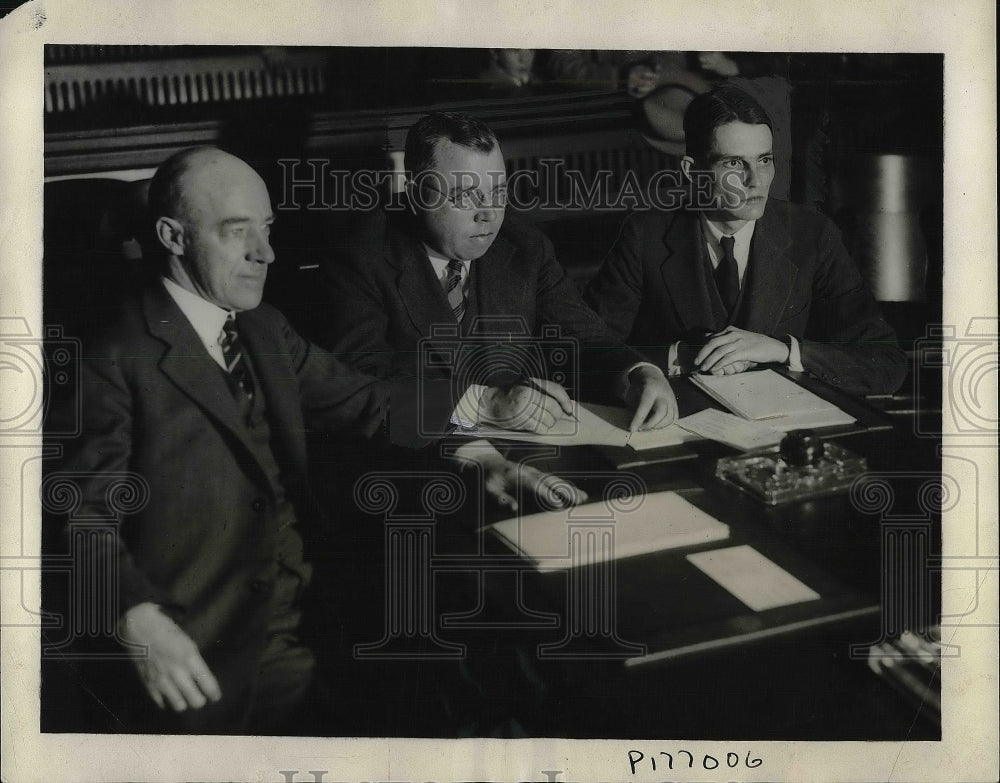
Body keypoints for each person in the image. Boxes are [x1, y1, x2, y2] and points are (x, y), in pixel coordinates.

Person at [45, 146, 585, 735]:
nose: (266, 253)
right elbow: (77, 515)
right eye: (237, 232)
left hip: (317, 618)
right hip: (203, 641)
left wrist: (482, 449)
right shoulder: (112, 354)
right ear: (172, 236)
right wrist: (136, 619)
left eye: (268, 229)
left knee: (503, 676)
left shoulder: (262, 327)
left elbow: (366, 400)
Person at [320, 111, 677, 433]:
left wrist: (638, 373)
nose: (489, 213)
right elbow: (360, 384)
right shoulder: (360, 256)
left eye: (498, 192)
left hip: (518, 452)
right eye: (465, 196)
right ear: (416, 197)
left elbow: (583, 339)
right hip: (412, 457)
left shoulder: (524, 246)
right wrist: (484, 405)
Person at [584, 85, 907, 396]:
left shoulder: (812, 234)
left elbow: (886, 364)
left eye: (764, 160)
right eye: (734, 163)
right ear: (692, 171)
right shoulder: (645, 236)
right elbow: (586, 351)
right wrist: (678, 357)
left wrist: (784, 350)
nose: (756, 181)